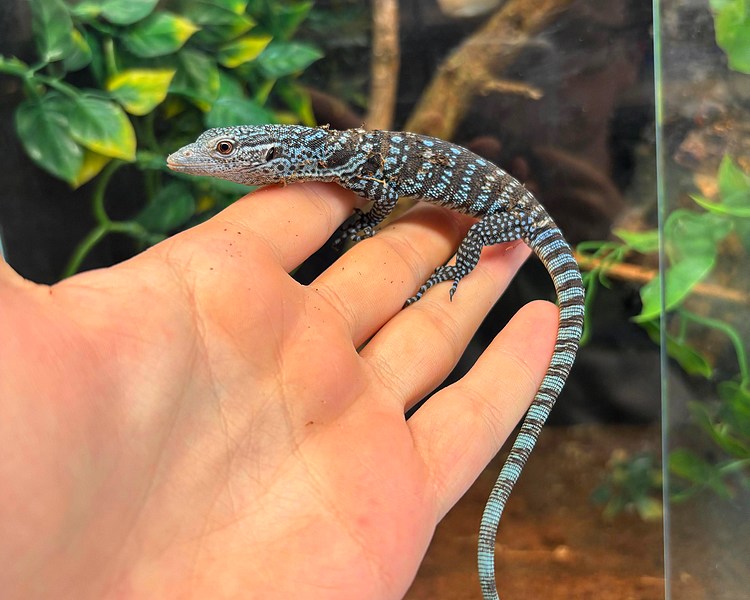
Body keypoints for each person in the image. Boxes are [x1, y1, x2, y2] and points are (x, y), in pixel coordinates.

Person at [0, 182, 557, 599]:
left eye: (220, 150)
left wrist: (456, 267)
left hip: (507, 213)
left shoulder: (350, 169)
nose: (203, 161)